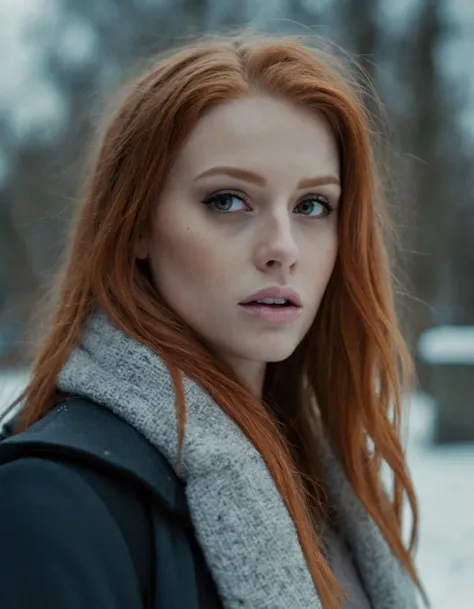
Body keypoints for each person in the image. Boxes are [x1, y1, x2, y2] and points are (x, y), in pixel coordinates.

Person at [0, 33, 427, 609]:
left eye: (312, 206)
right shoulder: (54, 501)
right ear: (137, 228)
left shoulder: (331, 480)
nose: (283, 248)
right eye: (228, 200)